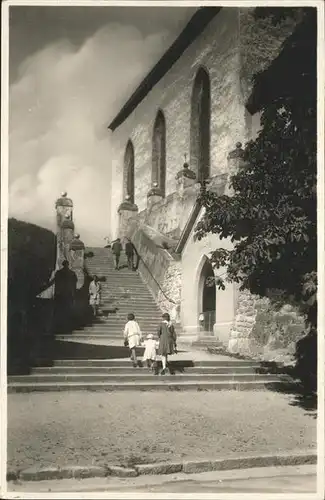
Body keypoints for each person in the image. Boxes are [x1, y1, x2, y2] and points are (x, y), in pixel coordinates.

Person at [54, 260, 77, 333]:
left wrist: (56, 293)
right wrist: (73, 294)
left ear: (63, 265)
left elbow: (56, 284)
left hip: (60, 295)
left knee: (60, 311)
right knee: (68, 311)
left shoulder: (58, 273)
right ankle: (68, 328)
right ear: (68, 264)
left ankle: (60, 328)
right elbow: (74, 285)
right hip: (68, 294)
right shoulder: (72, 273)